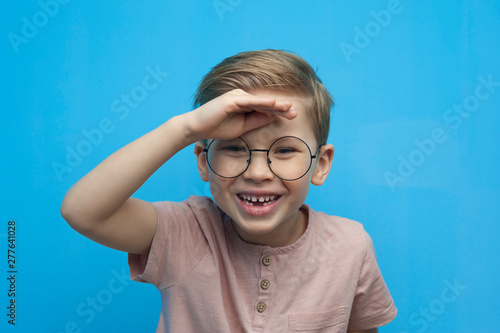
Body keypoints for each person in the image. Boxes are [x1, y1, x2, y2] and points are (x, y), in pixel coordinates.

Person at [61, 49, 397, 332]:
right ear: (204, 161)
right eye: (235, 149)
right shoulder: (184, 233)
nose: (258, 173)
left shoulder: (351, 247)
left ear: (321, 164)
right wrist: (187, 128)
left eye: (284, 151)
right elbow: (83, 211)